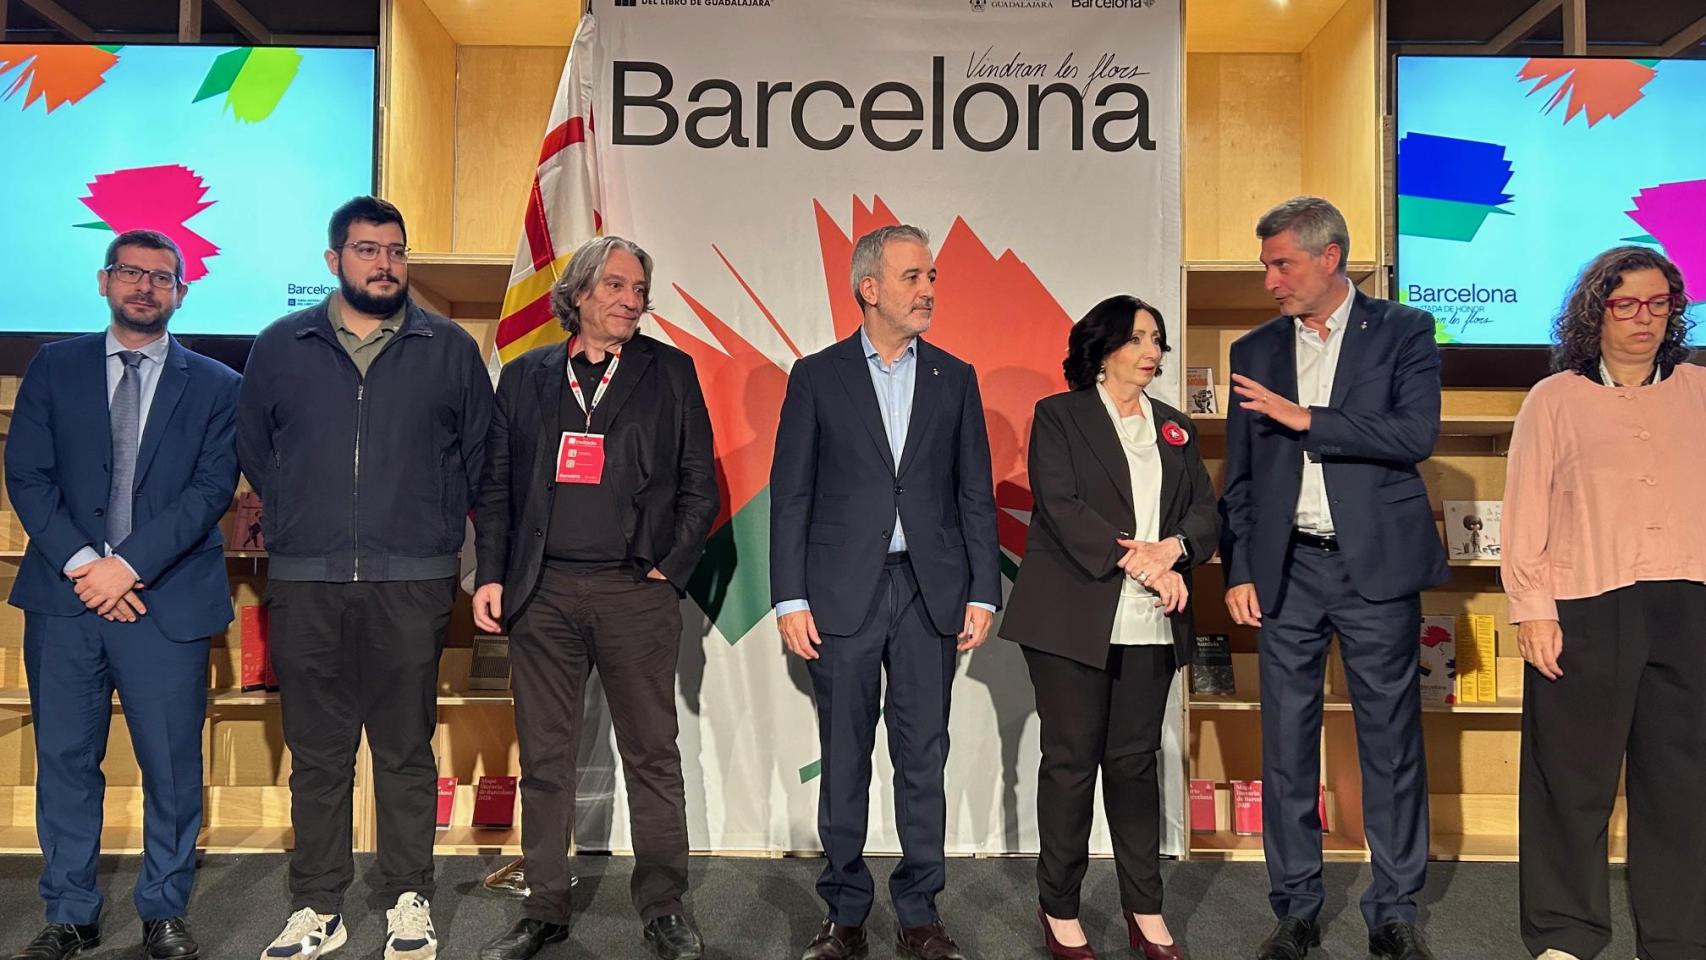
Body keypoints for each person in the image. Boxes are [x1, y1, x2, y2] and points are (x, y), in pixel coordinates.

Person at [237, 197, 492, 960]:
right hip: (307, 580)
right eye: (366, 250)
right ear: (333, 261)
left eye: (395, 251)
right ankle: (319, 906)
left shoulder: (448, 347)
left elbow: (479, 457)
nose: (384, 263)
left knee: (405, 751)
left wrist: (438, 536)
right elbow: (255, 446)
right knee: (317, 753)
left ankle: (410, 898)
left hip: (411, 581)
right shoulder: (281, 344)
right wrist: (296, 524)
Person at [472, 236, 717, 960]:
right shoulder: (523, 376)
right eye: (614, 285)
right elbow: (495, 488)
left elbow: (699, 483)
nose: (630, 299)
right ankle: (544, 905)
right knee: (546, 759)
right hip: (542, 594)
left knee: (652, 754)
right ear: (578, 294)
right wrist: (491, 573)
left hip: (633, 593)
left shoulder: (671, 372)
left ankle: (664, 906)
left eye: (639, 288)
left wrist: (670, 569)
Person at [1218, 196, 1447, 960]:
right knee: (1285, 742)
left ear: (1329, 257)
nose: (1271, 282)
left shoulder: (1405, 331)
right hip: (1289, 571)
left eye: (1281, 264)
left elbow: (1414, 434)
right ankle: (1296, 907)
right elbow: (1242, 478)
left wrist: (1309, 418)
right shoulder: (1253, 350)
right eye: (1265, 267)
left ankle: (1394, 907)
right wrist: (1242, 567)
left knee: (1390, 741)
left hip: (1374, 566)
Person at [4, 229, 240, 960]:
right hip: (65, 600)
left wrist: (126, 567)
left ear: (181, 292)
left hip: (163, 601)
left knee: (172, 764)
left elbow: (210, 491)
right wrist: (85, 563)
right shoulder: (54, 367)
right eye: (131, 273)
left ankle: (163, 908)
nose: (146, 286)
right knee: (67, 760)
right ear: (104, 281)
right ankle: (69, 911)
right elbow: (28, 475)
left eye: (161, 277)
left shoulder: (218, 384)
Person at [771, 224, 1000, 960]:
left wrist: (984, 591)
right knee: (844, 758)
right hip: (839, 595)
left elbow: (973, 496)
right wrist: (789, 597)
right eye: (913, 277)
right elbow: (792, 496)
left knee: (922, 756)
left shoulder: (954, 377)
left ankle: (919, 912)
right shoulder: (816, 375)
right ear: (869, 287)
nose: (928, 289)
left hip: (931, 593)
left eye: (931, 276)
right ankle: (844, 915)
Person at [999, 295, 1218, 960]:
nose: (1153, 350)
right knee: (1070, 765)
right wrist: (1149, 564)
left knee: (1133, 766)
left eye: (1158, 339)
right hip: (1072, 616)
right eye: (1140, 338)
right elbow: (1062, 508)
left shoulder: (1176, 429)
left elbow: (1207, 514)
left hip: (1150, 622)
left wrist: (1175, 551)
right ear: (1102, 347)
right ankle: (1059, 910)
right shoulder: (1059, 416)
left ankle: (1145, 910)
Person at [1503, 246, 1706, 960]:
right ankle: (1567, 934)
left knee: (1682, 786)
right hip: (1585, 606)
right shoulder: (1554, 399)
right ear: (1598, 310)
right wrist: (1533, 608)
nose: (1644, 318)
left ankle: (1680, 937)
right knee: (1571, 780)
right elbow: (1524, 512)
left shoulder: (1700, 392)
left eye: (1659, 304)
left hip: (1688, 606)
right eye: (1627, 304)